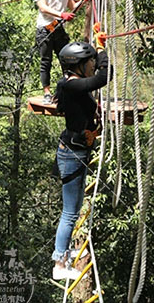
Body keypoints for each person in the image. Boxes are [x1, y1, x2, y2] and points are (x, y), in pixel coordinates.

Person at [51, 33, 109, 281]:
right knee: (70, 213)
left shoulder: (69, 82)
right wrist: (101, 48)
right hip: (72, 154)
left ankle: (62, 253)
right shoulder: (73, 85)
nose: (93, 65)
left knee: (72, 209)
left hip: (75, 151)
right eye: (90, 62)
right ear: (77, 65)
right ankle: (60, 264)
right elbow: (104, 77)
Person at [33, 0, 80, 105]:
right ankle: (47, 92)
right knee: (46, 61)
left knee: (66, 59)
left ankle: (68, 88)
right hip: (45, 29)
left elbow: (72, 6)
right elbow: (43, 7)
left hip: (59, 28)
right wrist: (61, 14)